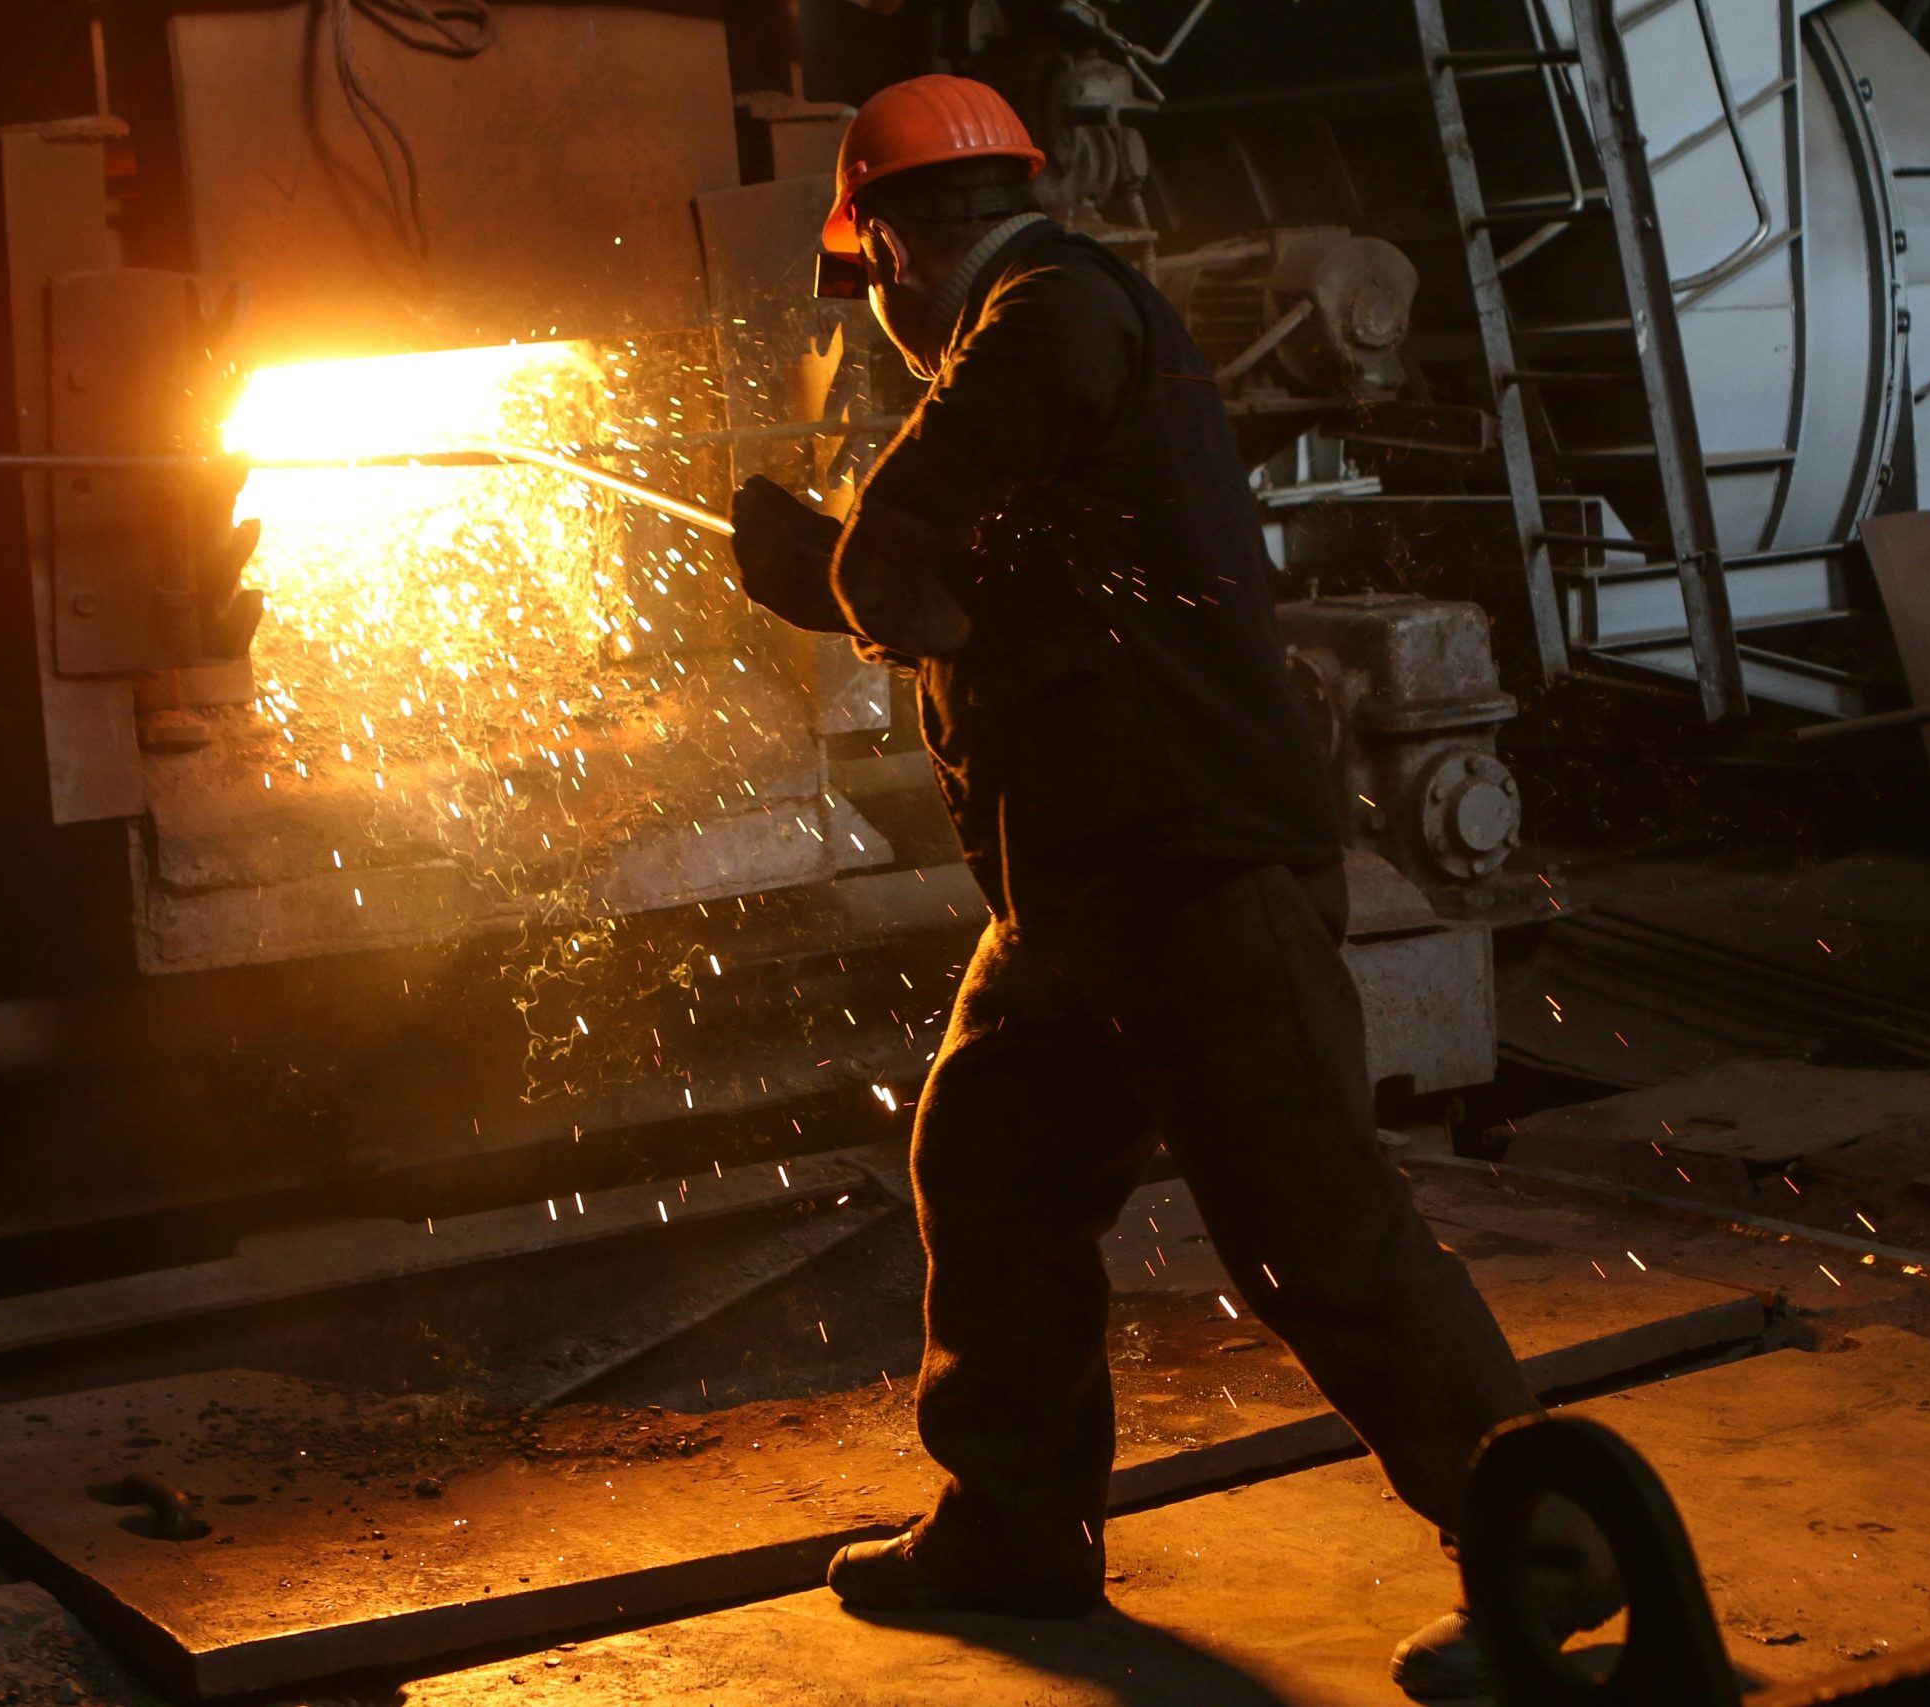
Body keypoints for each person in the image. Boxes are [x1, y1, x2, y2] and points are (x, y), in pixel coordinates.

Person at [725, 73, 1619, 1700]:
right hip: (1081, 896)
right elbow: (980, 604)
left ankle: (1549, 1551)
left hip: (1196, 875)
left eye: (879, 296)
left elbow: (989, 446)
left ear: (894, 256)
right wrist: (840, 575)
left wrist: (883, 531)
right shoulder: (1040, 354)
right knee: (990, 1159)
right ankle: (1013, 1522)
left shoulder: (1055, 303)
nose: (889, 329)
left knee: (1312, 1233)